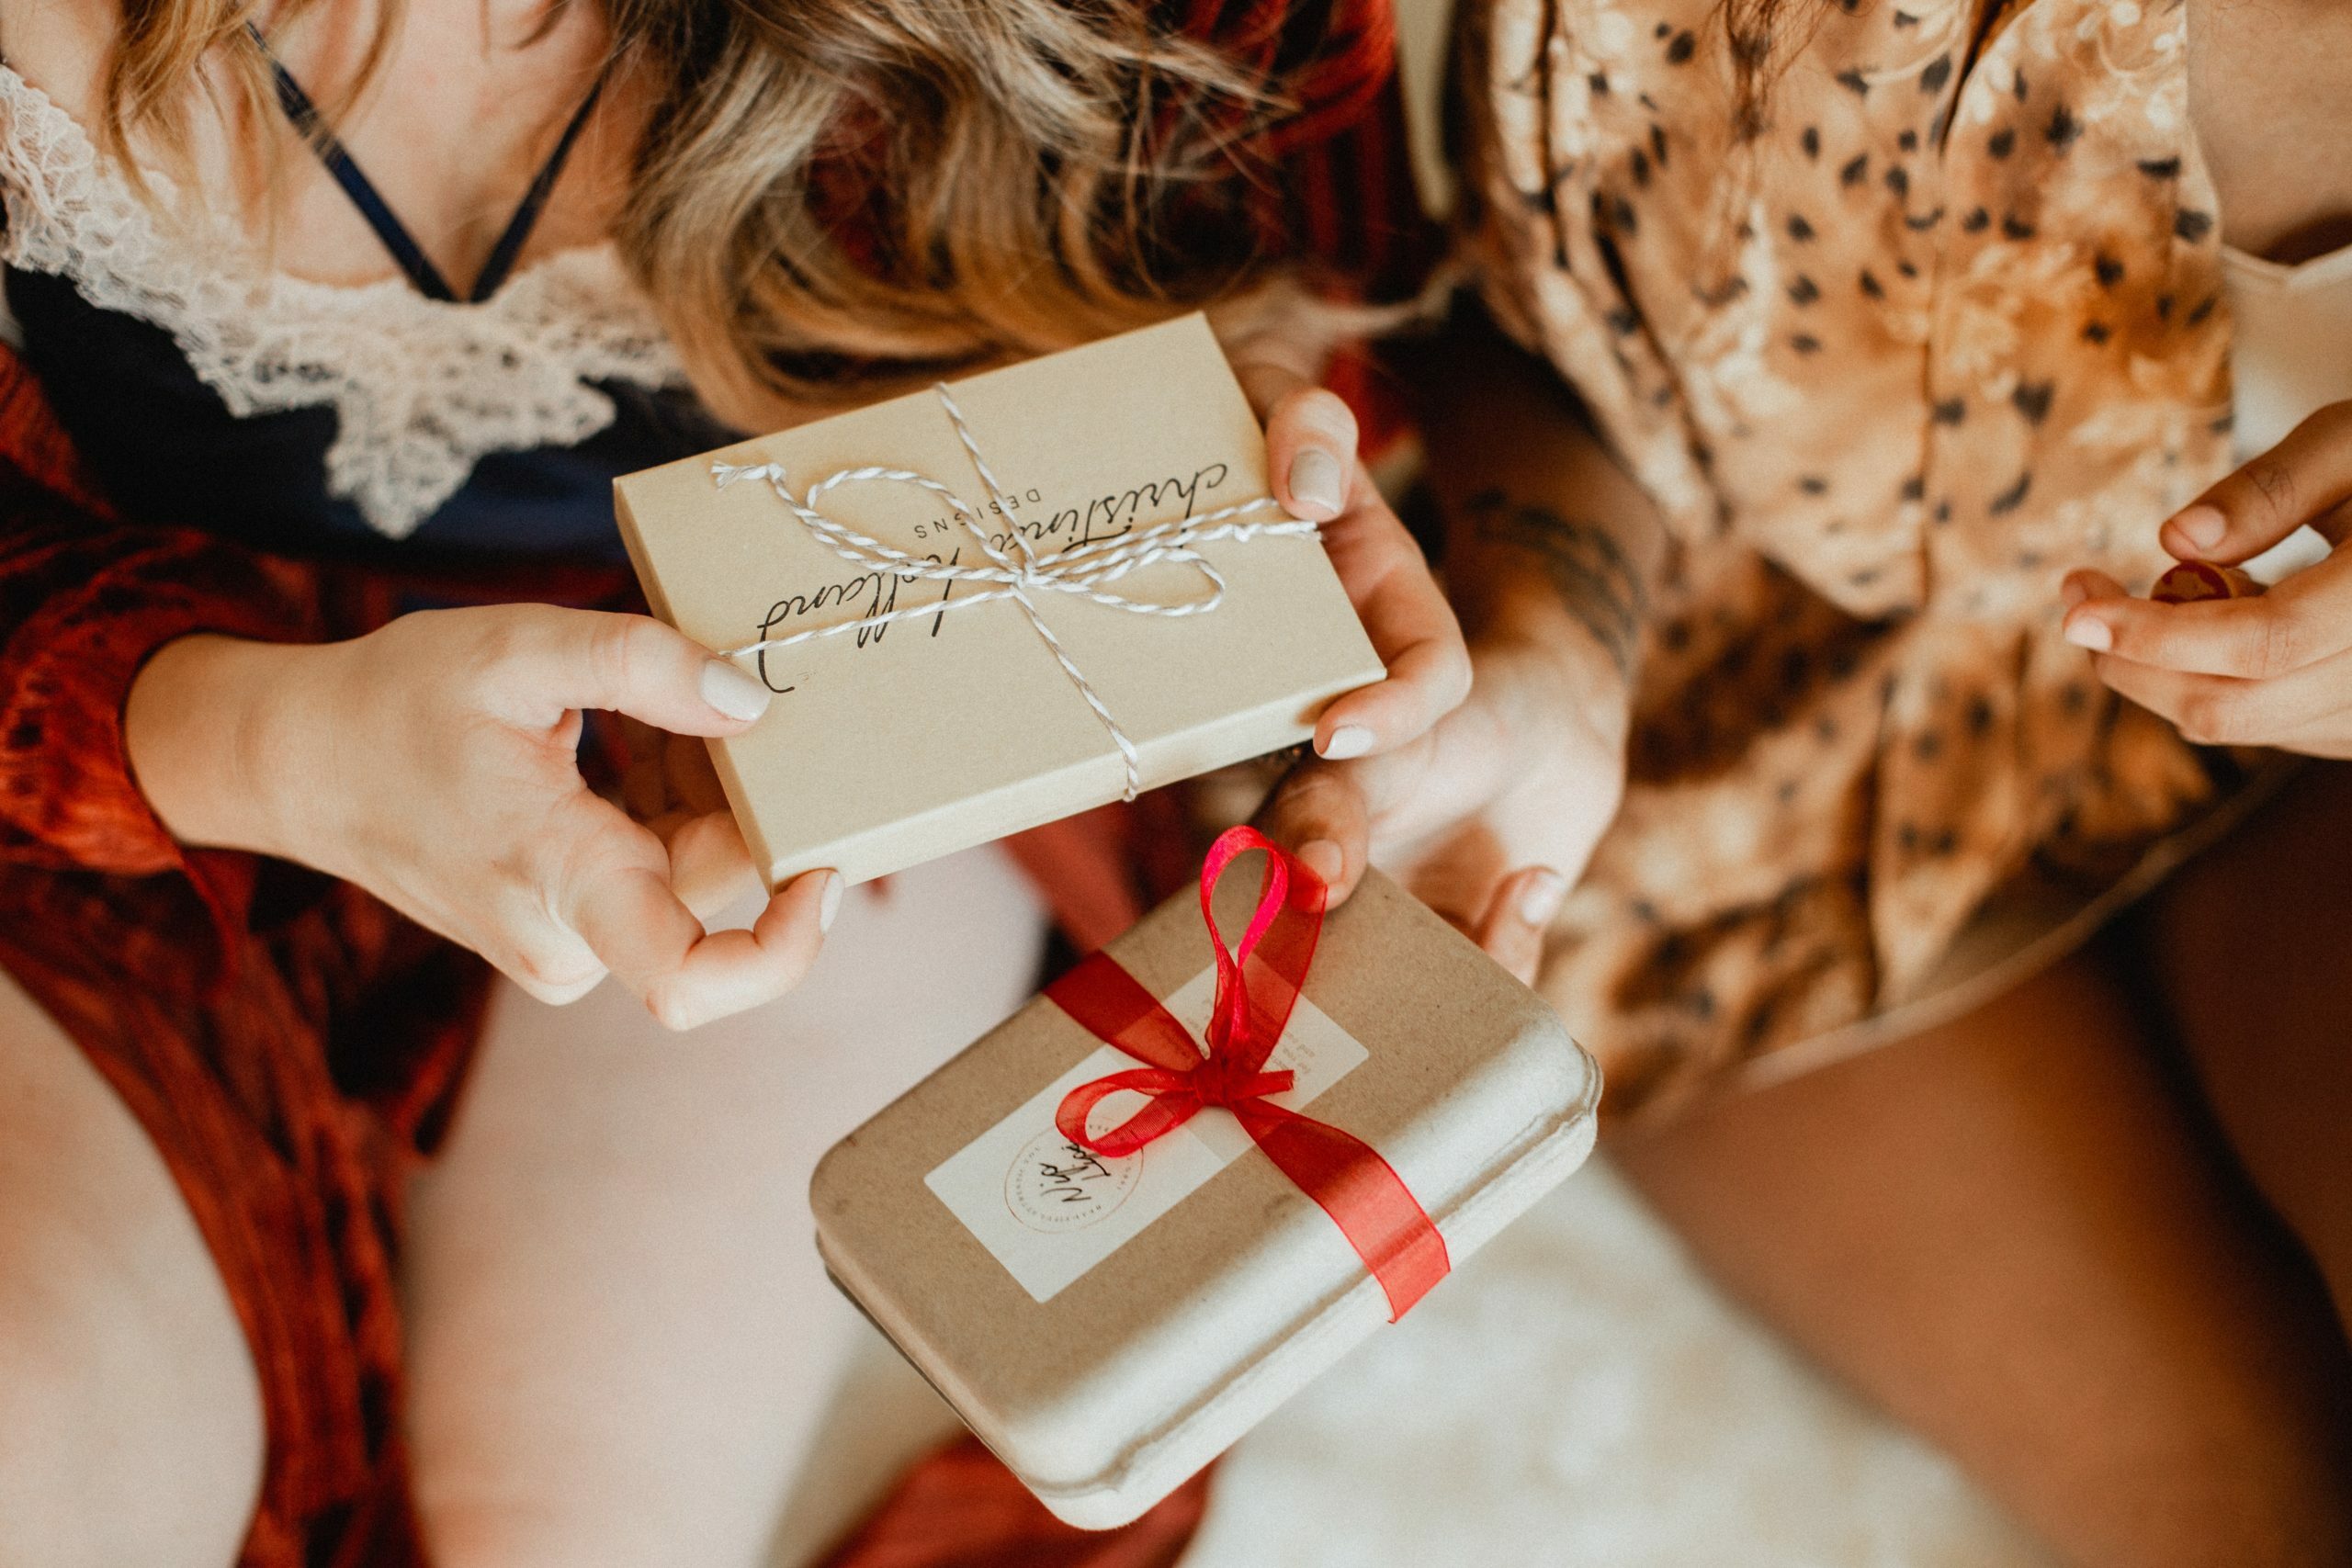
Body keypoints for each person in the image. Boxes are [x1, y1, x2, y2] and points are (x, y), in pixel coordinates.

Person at [0, 1, 1468, 1562]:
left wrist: (1222, 440)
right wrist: (262, 743)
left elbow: (1270, 242)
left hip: (799, 701)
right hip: (103, 707)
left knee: (571, 1533)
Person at [1263, 0, 2352, 1562]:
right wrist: (1556, 636)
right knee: (2248, 1524)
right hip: (1708, 732)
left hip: (2306, 736)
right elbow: (1502, 301)